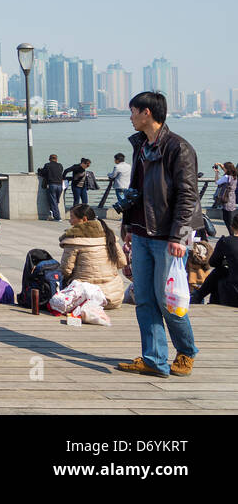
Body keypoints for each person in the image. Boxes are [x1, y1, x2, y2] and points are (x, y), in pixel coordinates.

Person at [115, 91, 202, 378]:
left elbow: (187, 196)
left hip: (167, 236)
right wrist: (128, 225)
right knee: (145, 299)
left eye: (133, 111)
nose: (130, 117)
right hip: (141, 233)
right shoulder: (140, 146)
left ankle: (186, 351)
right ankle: (154, 359)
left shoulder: (179, 148)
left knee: (168, 300)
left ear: (147, 113)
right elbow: (136, 190)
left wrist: (178, 236)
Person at [59, 203, 127, 308]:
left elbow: (66, 270)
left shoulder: (73, 240)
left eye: (72, 217)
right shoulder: (109, 235)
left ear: (84, 219)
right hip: (113, 297)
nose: (69, 221)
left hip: (86, 298)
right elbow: (122, 262)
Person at [193, 233, 238, 306]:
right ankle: (198, 296)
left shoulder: (226, 241)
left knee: (220, 271)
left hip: (233, 293)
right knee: (222, 272)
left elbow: (213, 262)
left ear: (231, 226)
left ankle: (198, 297)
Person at [212, 162, 237, 235]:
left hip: (226, 198)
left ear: (227, 169)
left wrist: (216, 173)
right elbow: (227, 170)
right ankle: (233, 234)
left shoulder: (226, 177)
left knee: (227, 219)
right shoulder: (234, 176)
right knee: (230, 218)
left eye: (224, 168)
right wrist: (220, 165)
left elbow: (217, 182)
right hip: (232, 198)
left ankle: (232, 235)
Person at [38, 154, 64, 222]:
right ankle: (52, 213)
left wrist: (39, 170)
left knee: (53, 202)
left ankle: (57, 217)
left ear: (49, 159)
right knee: (57, 201)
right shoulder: (60, 165)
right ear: (56, 159)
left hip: (52, 185)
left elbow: (43, 173)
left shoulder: (47, 165)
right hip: (60, 185)